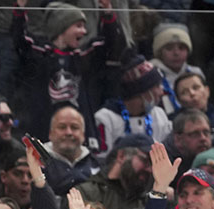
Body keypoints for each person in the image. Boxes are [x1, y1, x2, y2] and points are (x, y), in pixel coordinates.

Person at [11, 0, 123, 142]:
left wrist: (107, 10)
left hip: (81, 137)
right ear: (61, 28)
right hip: (44, 135)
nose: (84, 31)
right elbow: (20, 38)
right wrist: (20, 7)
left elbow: (110, 42)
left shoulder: (83, 57)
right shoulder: (40, 53)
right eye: (78, 26)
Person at [77, 133, 153, 209]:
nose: (150, 169)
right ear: (121, 156)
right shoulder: (87, 193)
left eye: (153, 164)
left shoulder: (146, 199)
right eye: (145, 160)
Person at [93, 54, 173, 160]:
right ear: (141, 92)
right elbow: (100, 159)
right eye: (157, 86)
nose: (161, 91)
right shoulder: (105, 119)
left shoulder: (159, 114)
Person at [42, 103, 100, 193]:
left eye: (74, 127)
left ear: (83, 135)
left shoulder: (97, 164)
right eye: (62, 127)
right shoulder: (36, 162)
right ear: (51, 133)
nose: (68, 132)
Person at [150, 23, 204, 117]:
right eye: (169, 48)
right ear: (159, 52)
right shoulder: (151, 75)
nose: (176, 53)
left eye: (181, 48)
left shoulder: (196, 73)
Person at [173, 72, 214, 146]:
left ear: (207, 91)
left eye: (196, 87)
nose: (192, 93)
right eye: (184, 92)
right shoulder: (174, 122)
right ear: (178, 100)